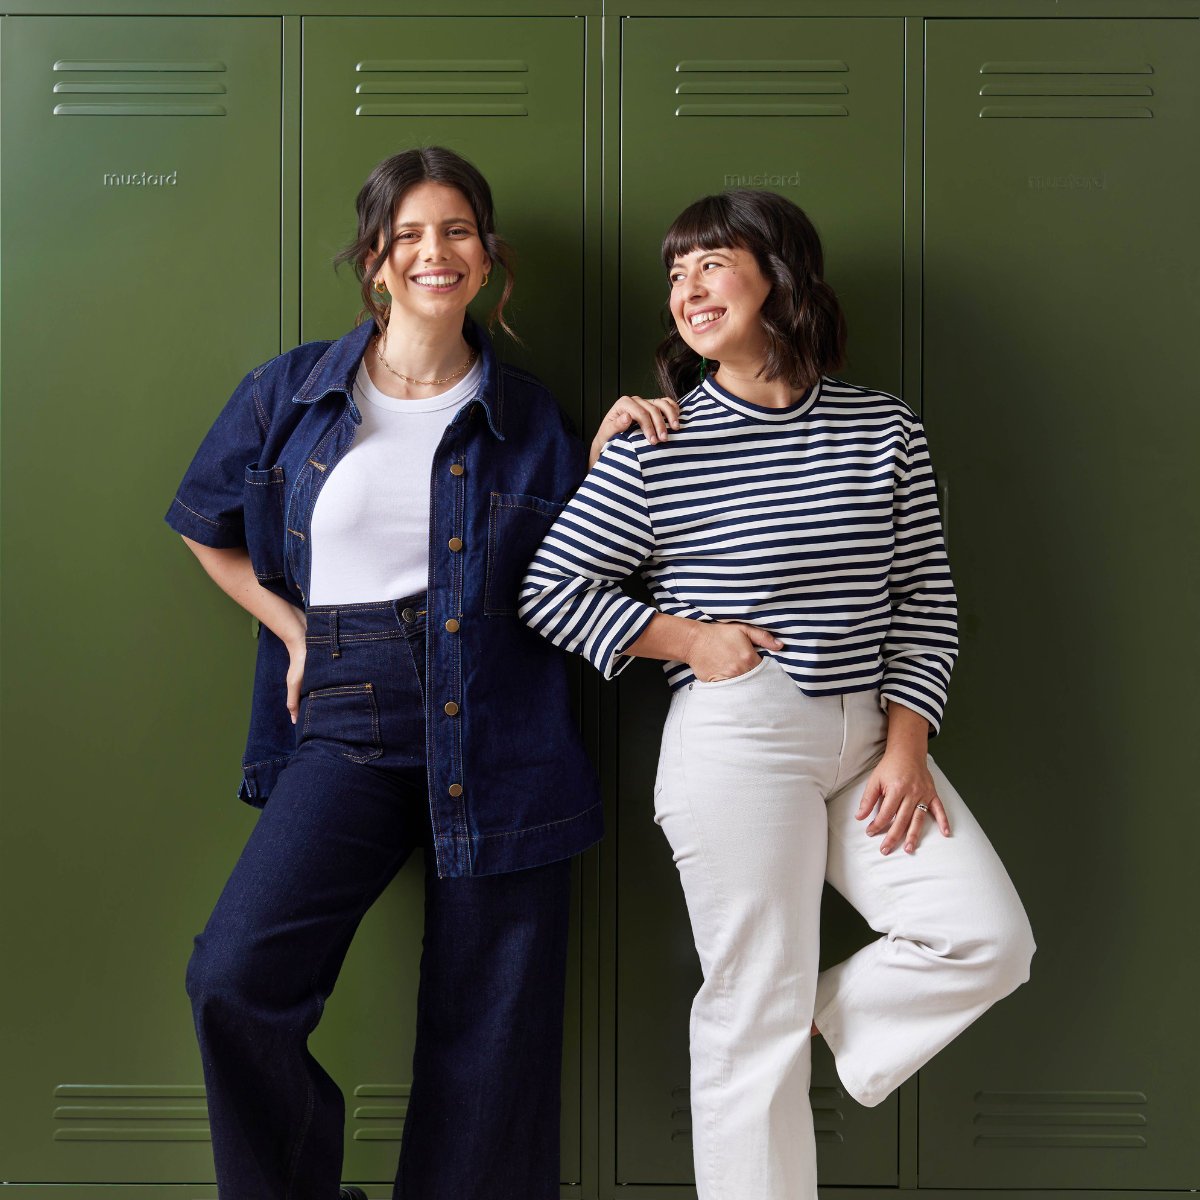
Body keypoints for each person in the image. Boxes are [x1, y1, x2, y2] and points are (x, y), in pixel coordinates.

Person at [519, 189, 1035, 1200]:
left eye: (713, 260)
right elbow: (549, 591)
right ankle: (768, 1013)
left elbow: (924, 595)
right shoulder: (657, 441)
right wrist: (689, 641)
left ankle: (803, 1005)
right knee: (748, 1029)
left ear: (780, 275)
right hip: (738, 742)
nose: (689, 286)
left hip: (871, 745)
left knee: (988, 938)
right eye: (677, 272)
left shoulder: (885, 429)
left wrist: (907, 740)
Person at [166, 146, 601, 1200]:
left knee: (487, 1029)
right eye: (408, 235)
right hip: (347, 708)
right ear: (375, 261)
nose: (432, 252)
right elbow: (203, 525)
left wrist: (621, 447)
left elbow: (592, 562)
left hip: (502, 718)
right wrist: (293, 627)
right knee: (233, 978)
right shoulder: (294, 391)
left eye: (455, 231)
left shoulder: (534, 416)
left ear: (488, 260)